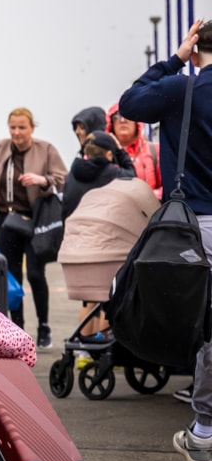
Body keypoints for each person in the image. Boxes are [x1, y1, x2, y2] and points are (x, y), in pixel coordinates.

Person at [118, 18, 212, 461]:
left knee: (206, 325)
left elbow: (130, 103)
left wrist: (175, 59)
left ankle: (205, 430)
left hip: (198, 224)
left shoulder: (181, 88)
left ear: (197, 48)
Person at [0, 107, 67, 348]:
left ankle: (44, 327)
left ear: (32, 128)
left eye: (22, 128)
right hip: (7, 221)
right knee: (12, 278)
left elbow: (62, 177)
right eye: (13, 128)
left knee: (37, 275)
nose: (17, 133)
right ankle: (17, 329)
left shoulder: (45, 149)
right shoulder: (0, 148)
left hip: (35, 221)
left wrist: (42, 180)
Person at [57, 131, 156, 341]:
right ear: (109, 154)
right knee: (107, 301)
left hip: (78, 246)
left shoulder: (73, 175)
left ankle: (84, 349)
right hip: (107, 245)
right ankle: (105, 347)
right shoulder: (113, 173)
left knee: (88, 302)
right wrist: (121, 152)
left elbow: (66, 207)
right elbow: (133, 179)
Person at [107, 103, 162, 200]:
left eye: (128, 116)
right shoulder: (102, 153)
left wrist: (148, 198)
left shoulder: (155, 150)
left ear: (137, 122)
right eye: (117, 117)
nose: (123, 120)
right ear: (111, 124)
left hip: (150, 211)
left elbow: (169, 186)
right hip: (113, 211)